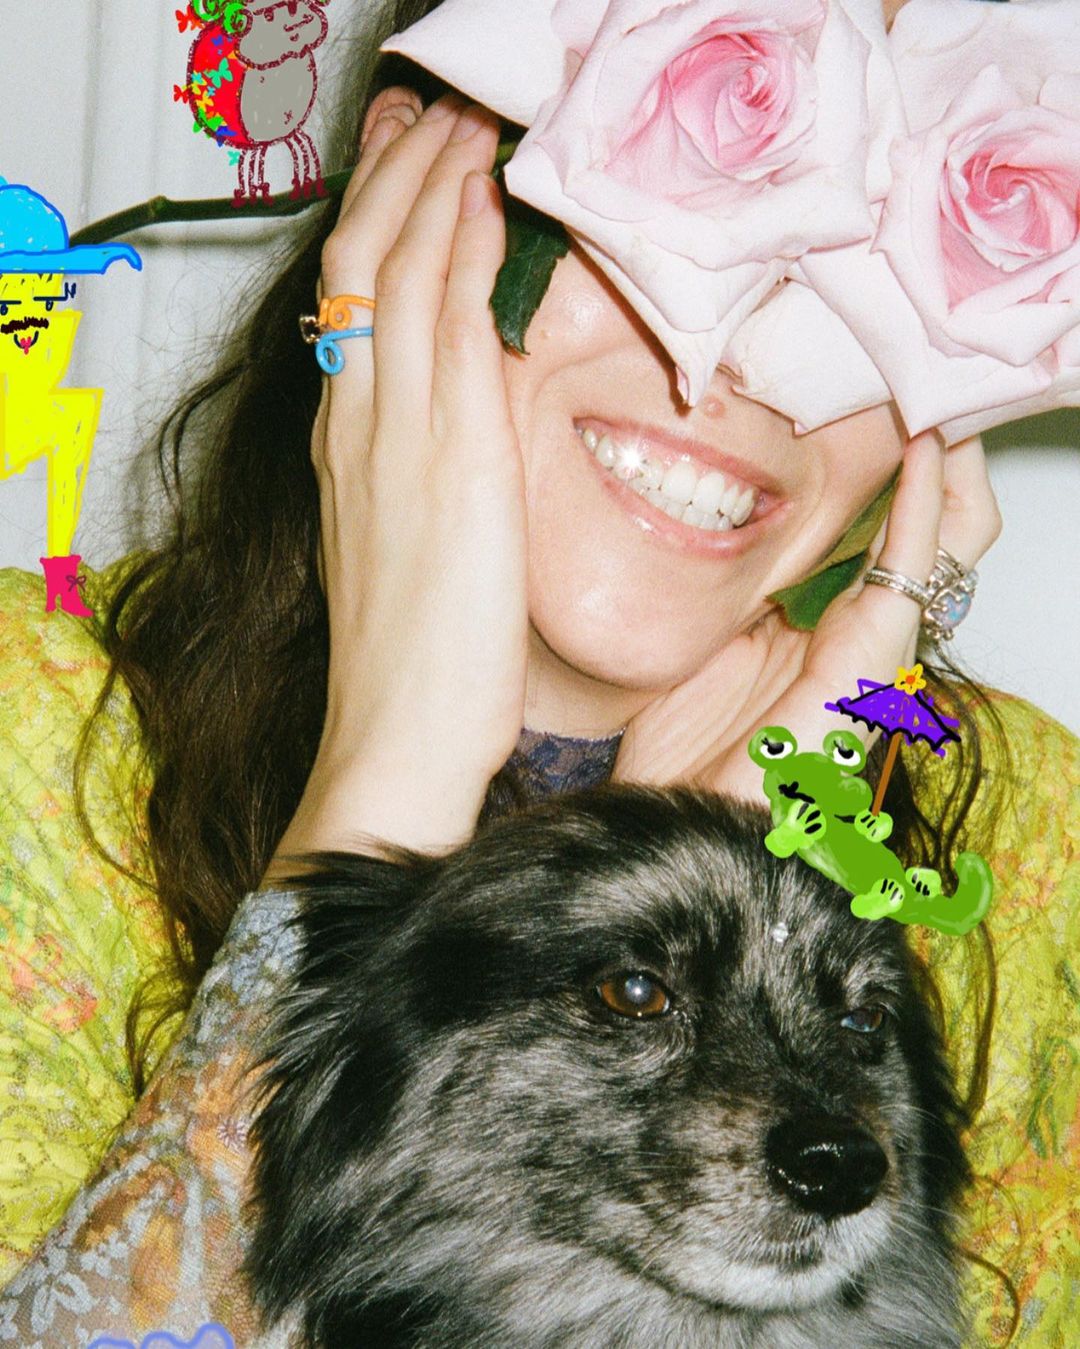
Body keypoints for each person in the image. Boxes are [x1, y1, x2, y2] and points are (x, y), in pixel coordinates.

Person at [0, 0, 1076, 1344]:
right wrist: (384, 789)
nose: (741, 362)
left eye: (871, 286)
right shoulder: (26, 736)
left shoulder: (1031, 842)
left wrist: (735, 864)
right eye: (679, 214)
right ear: (406, 181)